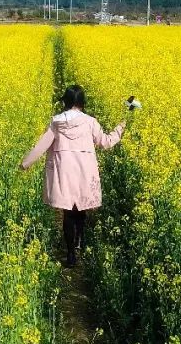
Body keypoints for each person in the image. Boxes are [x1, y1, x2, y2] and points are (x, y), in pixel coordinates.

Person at [20, 85, 126, 267]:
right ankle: (79, 242)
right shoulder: (90, 121)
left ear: (66, 102)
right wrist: (121, 127)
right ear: (82, 102)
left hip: (64, 172)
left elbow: (42, 145)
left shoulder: (56, 122)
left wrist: (26, 163)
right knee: (81, 210)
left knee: (68, 213)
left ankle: (70, 253)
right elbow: (106, 143)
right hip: (85, 171)